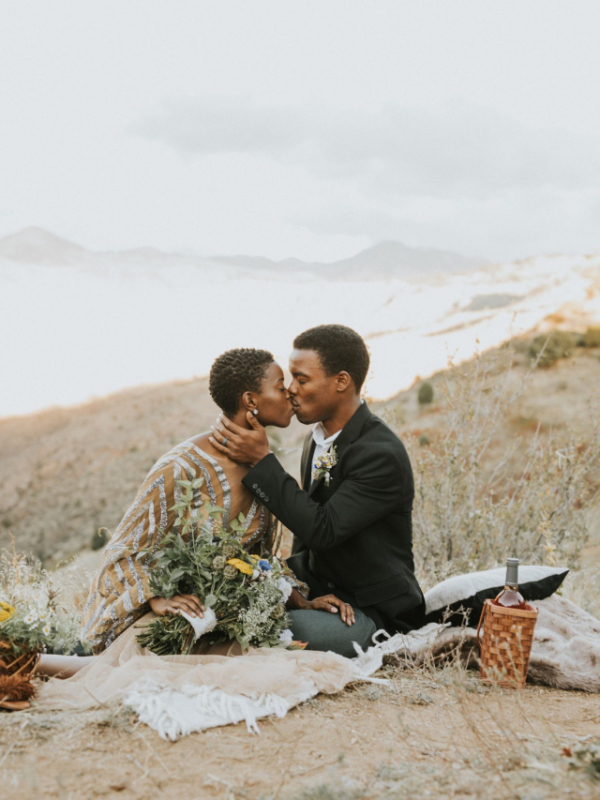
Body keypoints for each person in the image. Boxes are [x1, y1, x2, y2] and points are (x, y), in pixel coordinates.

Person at [39, 347, 357, 677]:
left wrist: (299, 601)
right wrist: (156, 598)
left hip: (227, 616)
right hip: (178, 615)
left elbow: (256, 561)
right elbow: (124, 551)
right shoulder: (182, 467)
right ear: (250, 400)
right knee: (122, 673)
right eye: (280, 385)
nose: (290, 392)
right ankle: (32, 663)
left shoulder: (263, 467)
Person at [209, 324, 426, 656]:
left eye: (302, 379)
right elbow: (305, 532)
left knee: (263, 629)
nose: (290, 390)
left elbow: (323, 529)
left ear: (341, 381)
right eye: (290, 379)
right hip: (323, 593)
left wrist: (262, 461)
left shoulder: (380, 454)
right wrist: (297, 591)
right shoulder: (317, 437)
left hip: (372, 611)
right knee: (226, 608)